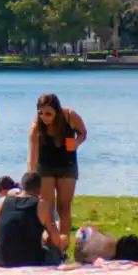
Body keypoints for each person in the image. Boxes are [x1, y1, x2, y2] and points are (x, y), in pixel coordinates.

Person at [27, 93, 88, 238]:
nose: (44, 117)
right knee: (47, 208)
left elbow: (83, 133)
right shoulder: (36, 127)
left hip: (67, 165)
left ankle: (63, 243)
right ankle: (51, 241)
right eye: (40, 113)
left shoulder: (69, 116)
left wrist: (76, 143)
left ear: (57, 111)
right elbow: (32, 155)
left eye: (48, 113)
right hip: (46, 167)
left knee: (64, 208)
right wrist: (29, 178)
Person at [0, 172, 66, 267]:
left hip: (3, 260)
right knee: (64, 239)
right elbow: (55, 239)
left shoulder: (2, 202)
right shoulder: (42, 205)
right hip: (33, 260)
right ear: (40, 190)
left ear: (21, 187)